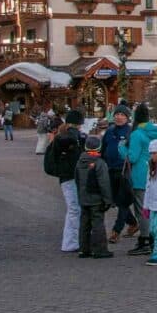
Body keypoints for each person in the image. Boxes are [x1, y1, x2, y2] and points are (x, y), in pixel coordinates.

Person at [120, 104, 157, 257]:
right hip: (154, 173)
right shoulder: (156, 132)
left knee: (141, 210)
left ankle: (145, 239)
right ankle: (154, 238)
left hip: (139, 175)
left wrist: (121, 148)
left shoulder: (137, 134)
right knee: (152, 208)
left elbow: (132, 157)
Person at [100, 104, 137, 243]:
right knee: (115, 200)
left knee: (123, 201)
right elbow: (103, 149)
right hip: (110, 170)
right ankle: (133, 223)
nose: (119, 117)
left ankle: (116, 231)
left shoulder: (131, 132)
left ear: (127, 117)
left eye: (122, 115)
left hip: (124, 170)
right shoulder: (109, 131)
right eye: (117, 114)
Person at [74, 135, 114, 259]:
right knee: (98, 224)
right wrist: (108, 200)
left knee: (84, 223)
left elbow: (77, 179)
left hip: (83, 197)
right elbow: (104, 183)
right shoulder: (99, 163)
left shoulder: (80, 161)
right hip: (96, 198)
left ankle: (83, 249)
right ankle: (100, 249)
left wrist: (80, 194)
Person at [52, 111, 85, 252]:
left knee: (74, 208)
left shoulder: (60, 136)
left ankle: (72, 241)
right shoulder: (70, 137)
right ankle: (71, 242)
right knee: (74, 209)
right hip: (71, 176)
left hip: (65, 177)